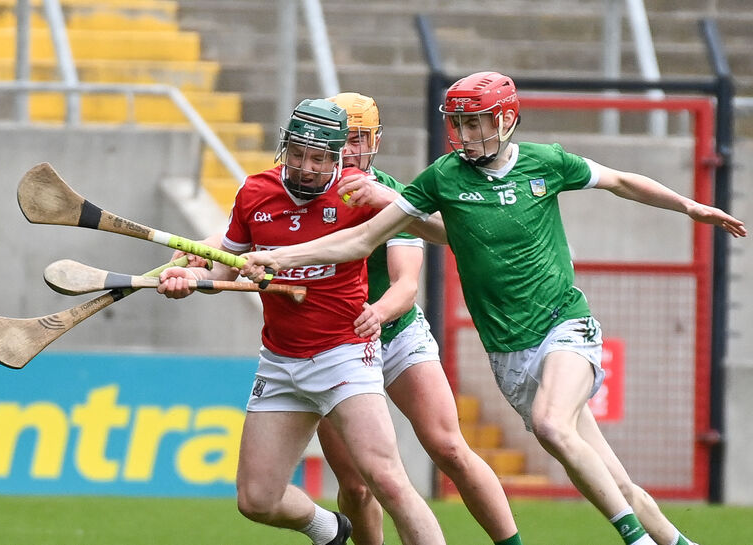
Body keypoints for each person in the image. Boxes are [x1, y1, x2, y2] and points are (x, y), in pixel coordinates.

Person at [238, 72, 747, 545]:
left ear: (505, 120)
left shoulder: (530, 165)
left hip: (516, 328)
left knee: (510, 435)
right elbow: (386, 239)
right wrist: (263, 260)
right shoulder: (430, 179)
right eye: (457, 123)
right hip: (498, 350)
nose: (464, 133)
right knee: (609, 478)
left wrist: (689, 205)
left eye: (474, 122)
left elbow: (617, 181)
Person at [157, 98, 447, 545]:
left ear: (336, 157)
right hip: (280, 361)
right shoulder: (255, 192)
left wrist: (395, 201)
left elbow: (446, 232)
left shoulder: (359, 193)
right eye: (297, 153)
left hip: (345, 355)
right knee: (256, 499)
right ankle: (329, 528)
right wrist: (189, 278)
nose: (306, 166)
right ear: (284, 147)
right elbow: (224, 267)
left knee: (386, 480)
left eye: (318, 157)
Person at [314, 92, 523, 545]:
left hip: (395, 334)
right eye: (340, 139)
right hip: (332, 348)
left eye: (358, 138)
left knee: (450, 448)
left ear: (375, 140)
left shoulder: (396, 194)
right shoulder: (303, 190)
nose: (349, 149)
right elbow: (244, 225)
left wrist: (377, 314)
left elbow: (406, 287)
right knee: (354, 485)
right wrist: (198, 260)